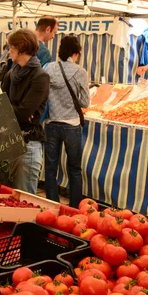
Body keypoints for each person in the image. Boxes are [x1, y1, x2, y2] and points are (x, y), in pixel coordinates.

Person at [44, 36, 90, 208]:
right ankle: (74, 206)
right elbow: (85, 102)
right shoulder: (80, 72)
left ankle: (51, 204)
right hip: (71, 125)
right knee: (74, 169)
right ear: (76, 53)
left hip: (51, 123)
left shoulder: (48, 68)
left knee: (50, 168)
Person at [1, 29, 49, 194]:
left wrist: (13, 110)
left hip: (28, 145)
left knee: (25, 200)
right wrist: (17, 111)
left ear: (21, 48)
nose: (9, 51)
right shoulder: (11, 74)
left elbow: (22, 113)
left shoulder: (40, 76)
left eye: (11, 47)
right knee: (7, 199)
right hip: (9, 142)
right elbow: (0, 105)